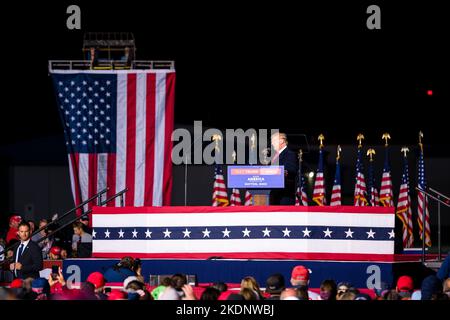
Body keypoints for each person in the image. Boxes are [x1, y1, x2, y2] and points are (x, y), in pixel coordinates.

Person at [269, 132, 298, 205]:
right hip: (272, 194)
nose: (272, 143)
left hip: (284, 196)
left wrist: (276, 171)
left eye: (274, 141)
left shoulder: (290, 154)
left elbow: (291, 169)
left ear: (281, 141)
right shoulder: (274, 156)